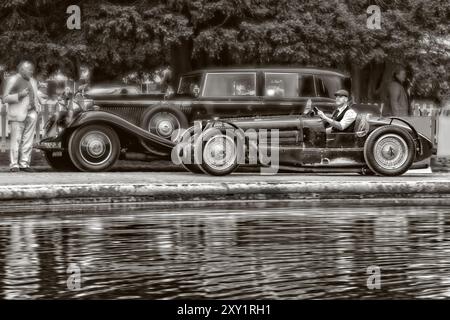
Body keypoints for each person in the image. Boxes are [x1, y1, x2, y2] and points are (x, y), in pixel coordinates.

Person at [2, 61, 43, 172]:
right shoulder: (13, 80)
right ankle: (14, 164)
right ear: (21, 70)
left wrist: (38, 106)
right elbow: (5, 98)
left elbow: (35, 95)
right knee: (16, 139)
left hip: (32, 113)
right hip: (18, 113)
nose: (31, 71)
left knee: (28, 140)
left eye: (32, 70)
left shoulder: (33, 80)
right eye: (29, 69)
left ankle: (24, 164)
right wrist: (19, 95)